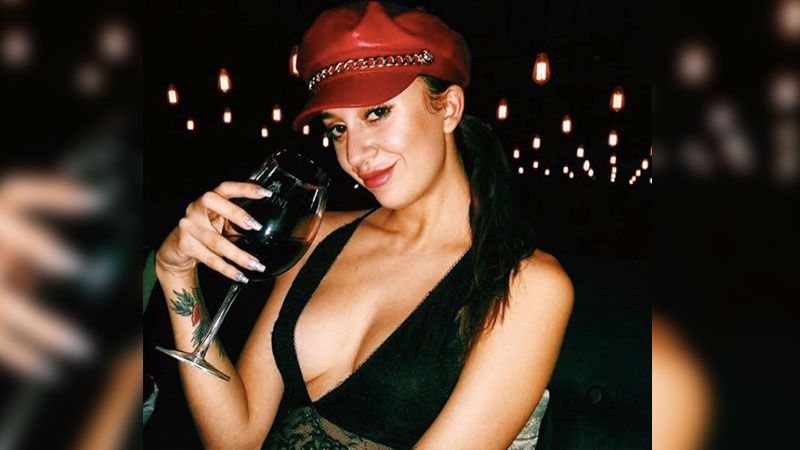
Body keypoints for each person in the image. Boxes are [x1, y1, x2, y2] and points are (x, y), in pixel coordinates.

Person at [153, 2, 573, 449]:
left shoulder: (527, 284)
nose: (354, 154)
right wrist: (176, 274)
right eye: (338, 129)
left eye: (376, 113)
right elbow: (236, 438)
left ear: (449, 108)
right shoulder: (318, 237)